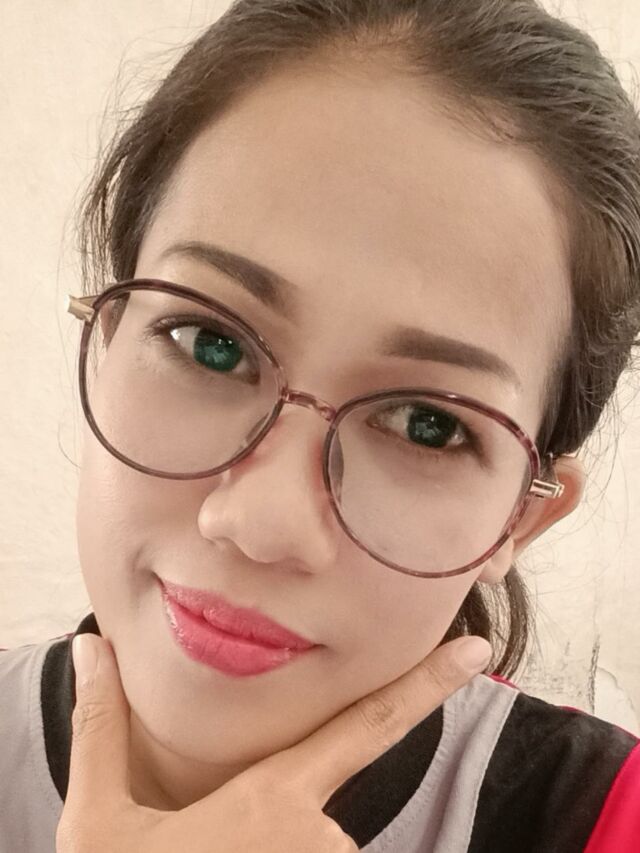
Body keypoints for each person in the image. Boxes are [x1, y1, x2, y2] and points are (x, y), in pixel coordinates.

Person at [1, 0, 639, 850]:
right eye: (211, 344)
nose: (260, 521)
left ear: (519, 517)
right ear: (106, 344)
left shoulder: (605, 816)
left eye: (426, 423)